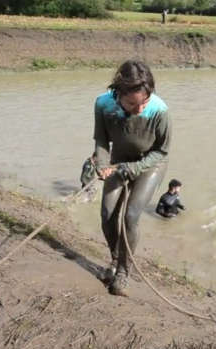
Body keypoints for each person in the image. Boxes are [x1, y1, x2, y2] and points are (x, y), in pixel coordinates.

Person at [93, 60, 172, 296]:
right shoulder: (103, 105)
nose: (139, 109)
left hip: (150, 164)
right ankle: (116, 258)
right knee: (107, 215)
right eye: (131, 103)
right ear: (118, 93)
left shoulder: (159, 110)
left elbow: (162, 151)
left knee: (131, 216)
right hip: (118, 161)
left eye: (144, 102)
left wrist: (135, 168)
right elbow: (101, 140)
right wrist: (103, 163)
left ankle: (124, 272)